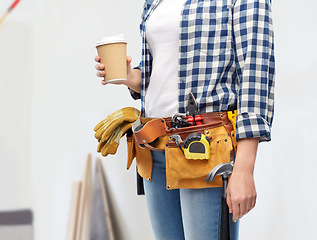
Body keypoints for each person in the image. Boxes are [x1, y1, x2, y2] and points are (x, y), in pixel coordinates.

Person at [94, 0, 274, 239]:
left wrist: (244, 168)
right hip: (154, 147)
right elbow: (159, 71)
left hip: (204, 149)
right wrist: (130, 76)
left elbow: (256, 71)